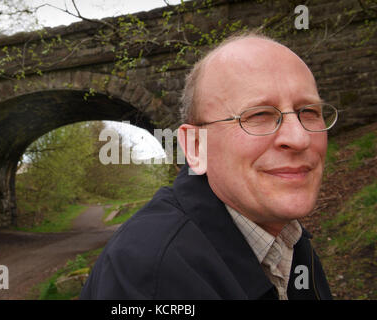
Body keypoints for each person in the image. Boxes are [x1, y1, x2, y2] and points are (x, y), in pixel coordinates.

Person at [80, 32, 336, 300]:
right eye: (259, 115)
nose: (299, 138)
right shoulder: (149, 275)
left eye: (309, 112)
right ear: (195, 146)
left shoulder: (286, 237)